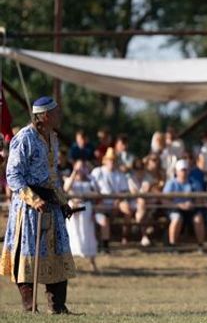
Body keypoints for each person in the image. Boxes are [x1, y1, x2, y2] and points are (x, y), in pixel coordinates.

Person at [0, 96, 77, 314]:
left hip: (51, 204)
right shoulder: (24, 138)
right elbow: (13, 175)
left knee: (58, 252)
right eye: (56, 112)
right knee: (28, 255)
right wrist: (34, 199)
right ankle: (29, 307)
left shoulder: (52, 137)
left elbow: (52, 177)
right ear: (44, 115)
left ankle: (58, 307)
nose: (60, 115)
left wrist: (63, 202)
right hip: (30, 207)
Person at [91, 147, 130, 251]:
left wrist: (118, 201)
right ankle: (105, 245)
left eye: (113, 160)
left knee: (127, 209)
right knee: (104, 219)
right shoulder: (97, 171)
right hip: (101, 202)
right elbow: (92, 187)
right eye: (110, 159)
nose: (111, 162)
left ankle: (125, 237)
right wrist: (98, 198)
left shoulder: (119, 174)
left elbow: (124, 191)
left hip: (116, 201)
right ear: (105, 160)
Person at [64, 160, 99, 273]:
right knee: (74, 234)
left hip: (86, 207)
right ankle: (71, 264)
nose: (80, 170)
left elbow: (97, 193)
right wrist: (74, 173)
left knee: (88, 234)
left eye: (82, 167)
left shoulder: (90, 180)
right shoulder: (70, 179)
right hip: (73, 208)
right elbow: (66, 189)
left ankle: (92, 263)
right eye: (78, 167)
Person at [164, 159, 206, 253]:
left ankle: (200, 245)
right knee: (177, 218)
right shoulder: (171, 183)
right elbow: (165, 200)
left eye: (186, 170)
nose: (184, 172)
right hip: (175, 208)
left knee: (198, 219)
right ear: (177, 171)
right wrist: (179, 205)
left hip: (192, 208)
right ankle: (172, 245)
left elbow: (200, 198)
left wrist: (193, 204)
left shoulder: (194, 183)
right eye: (182, 170)